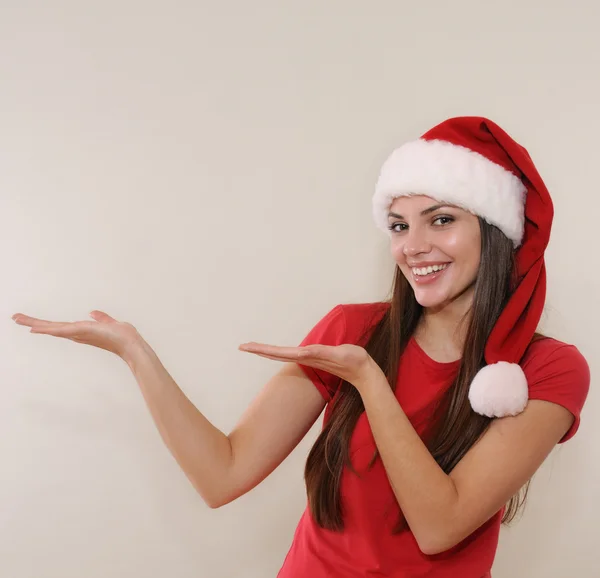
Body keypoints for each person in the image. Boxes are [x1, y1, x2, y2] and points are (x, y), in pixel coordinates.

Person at [12, 116, 590, 577]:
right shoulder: (351, 329)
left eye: (441, 220)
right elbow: (223, 474)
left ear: (495, 232)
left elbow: (440, 525)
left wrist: (370, 383)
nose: (413, 246)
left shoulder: (546, 371)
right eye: (398, 224)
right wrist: (134, 352)